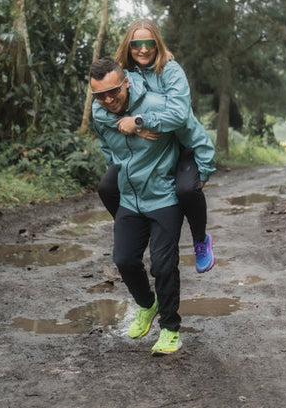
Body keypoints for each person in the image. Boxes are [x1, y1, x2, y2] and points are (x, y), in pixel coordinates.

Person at [98, 18, 215, 273]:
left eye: (148, 43)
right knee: (108, 186)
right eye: (135, 44)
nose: (142, 49)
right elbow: (107, 107)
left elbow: (179, 116)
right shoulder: (124, 73)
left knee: (187, 190)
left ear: (157, 44)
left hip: (179, 142)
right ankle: (137, 227)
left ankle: (200, 240)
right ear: (128, 46)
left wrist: (140, 122)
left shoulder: (170, 71)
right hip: (144, 149)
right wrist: (132, 129)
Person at [90, 57, 184, 355]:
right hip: (130, 196)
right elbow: (109, 148)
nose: (107, 100)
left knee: (163, 265)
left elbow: (186, 124)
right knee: (125, 259)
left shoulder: (157, 103)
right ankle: (147, 304)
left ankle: (170, 329)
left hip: (164, 195)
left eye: (113, 91)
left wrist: (201, 171)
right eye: (99, 95)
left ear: (126, 82)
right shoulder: (99, 111)